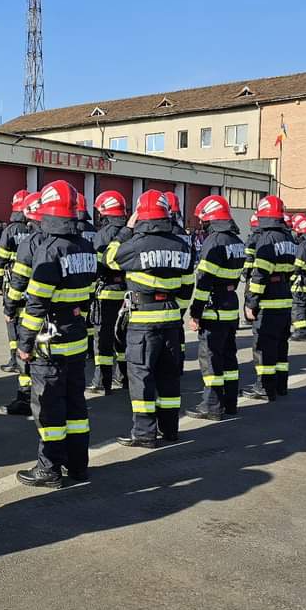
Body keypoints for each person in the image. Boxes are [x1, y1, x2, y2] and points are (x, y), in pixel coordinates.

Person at [14, 180, 95, 487]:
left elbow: (36, 304)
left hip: (50, 341)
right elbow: (88, 295)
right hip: (75, 336)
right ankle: (78, 465)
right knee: (76, 405)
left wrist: (24, 343)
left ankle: (49, 469)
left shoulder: (49, 250)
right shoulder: (86, 246)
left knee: (49, 408)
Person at [107, 190, 194, 446]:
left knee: (141, 376)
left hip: (143, 322)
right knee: (169, 377)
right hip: (171, 321)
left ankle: (144, 433)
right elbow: (187, 286)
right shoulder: (182, 245)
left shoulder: (136, 244)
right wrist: (178, 312)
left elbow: (109, 258)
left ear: (140, 215)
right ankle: (170, 429)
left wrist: (126, 229)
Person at [185, 195, 245, 420]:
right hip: (231, 305)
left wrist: (195, 313)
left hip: (214, 308)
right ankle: (230, 403)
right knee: (229, 357)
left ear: (209, 218)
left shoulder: (214, 241)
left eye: (203, 220)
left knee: (210, 359)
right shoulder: (237, 242)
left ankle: (211, 406)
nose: (202, 224)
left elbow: (203, 282)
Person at [243, 195, 296, 401]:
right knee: (281, 346)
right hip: (284, 296)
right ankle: (280, 385)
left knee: (264, 347)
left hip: (268, 300)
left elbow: (259, 275)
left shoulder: (267, 238)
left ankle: (264, 387)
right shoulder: (289, 237)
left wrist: (251, 302)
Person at [2, 192, 44, 415]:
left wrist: (9, 307)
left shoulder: (30, 243)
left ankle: (26, 398)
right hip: (64, 316)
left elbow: (18, 281)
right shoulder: (70, 241)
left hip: (31, 309)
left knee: (26, 353)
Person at [89, 190, 129, 395]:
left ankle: (102, 382)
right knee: (123, 337)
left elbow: (97, 266)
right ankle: (123, 377)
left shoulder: (103, 235)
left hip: (106, 293)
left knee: (103, 339)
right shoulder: (132, 232)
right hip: (128, 293)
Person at [0, 190, 33, 372]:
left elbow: (0, 259)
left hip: (13, 283)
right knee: (29, 320)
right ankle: (28, 354)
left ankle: (15, 359)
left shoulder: (10, 230)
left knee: (11, 319)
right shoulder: (35, 229)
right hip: (32, 283)